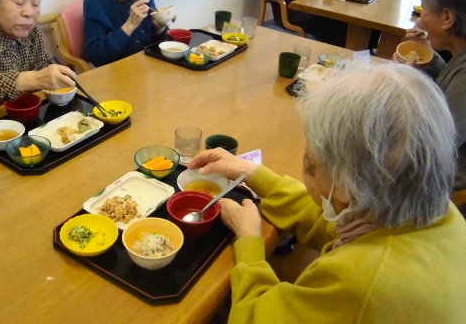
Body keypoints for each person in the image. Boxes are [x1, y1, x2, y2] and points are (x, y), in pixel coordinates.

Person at [189, 62, 466, 323]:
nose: (305, 170)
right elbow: (335, 220)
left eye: (309, 164)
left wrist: (250, 241)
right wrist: (252, 174)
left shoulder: (358, 281)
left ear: (345, 186)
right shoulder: (423, 210)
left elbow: (253, 318)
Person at [394, 0, 466, 192]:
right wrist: (432, 61)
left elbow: (430, 145)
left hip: (437, 182)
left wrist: (406, 81)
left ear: (447, 18)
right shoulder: (460, 58)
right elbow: (450, 86)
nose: (419, 19)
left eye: (423, 8)